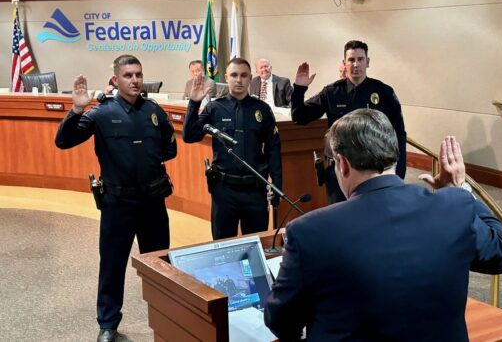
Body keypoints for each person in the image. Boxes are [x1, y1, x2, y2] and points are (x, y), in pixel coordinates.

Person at [264, 109, 502, 342]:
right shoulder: (454, 207)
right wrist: (460, 189)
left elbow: (281, 321)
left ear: (342, 164)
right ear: (395, 155)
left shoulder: (309, 232)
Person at [54, 55, 177, 342]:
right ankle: (108, 324)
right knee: (111, 265)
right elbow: (63, 141)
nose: (135, 80)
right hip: (117, 204)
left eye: (138, 75)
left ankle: (168, 319)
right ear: (115, 80)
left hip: (152, 202)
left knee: (160, 264)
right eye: (128, 75)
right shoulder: (101, 113)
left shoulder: (154, 111)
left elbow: (169, 149)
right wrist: (75, 110)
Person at [291, 40, 407, 204]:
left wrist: (399, 170)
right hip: (340, 171)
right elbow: (299, 117)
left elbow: (399, 134)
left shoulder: (384, 92)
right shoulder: (331, 92)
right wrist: (299, 89)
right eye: (351, 60)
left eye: (360, 59)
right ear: (344, 63)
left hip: (373, 171)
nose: (356, 64)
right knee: (339, 220)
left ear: (368, 62)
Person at [182, 57, 282, 239]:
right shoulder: (215, 107)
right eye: (234, 75)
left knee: (255, 244)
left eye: (244, 75)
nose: (239, 80)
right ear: (226, 77)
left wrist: (276, 184)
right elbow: (189, 136)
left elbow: (273, 149)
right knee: (222, 245)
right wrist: (194, 103)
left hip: (255, 189)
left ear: (250, 78)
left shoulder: (262, 109)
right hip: (224, 190)